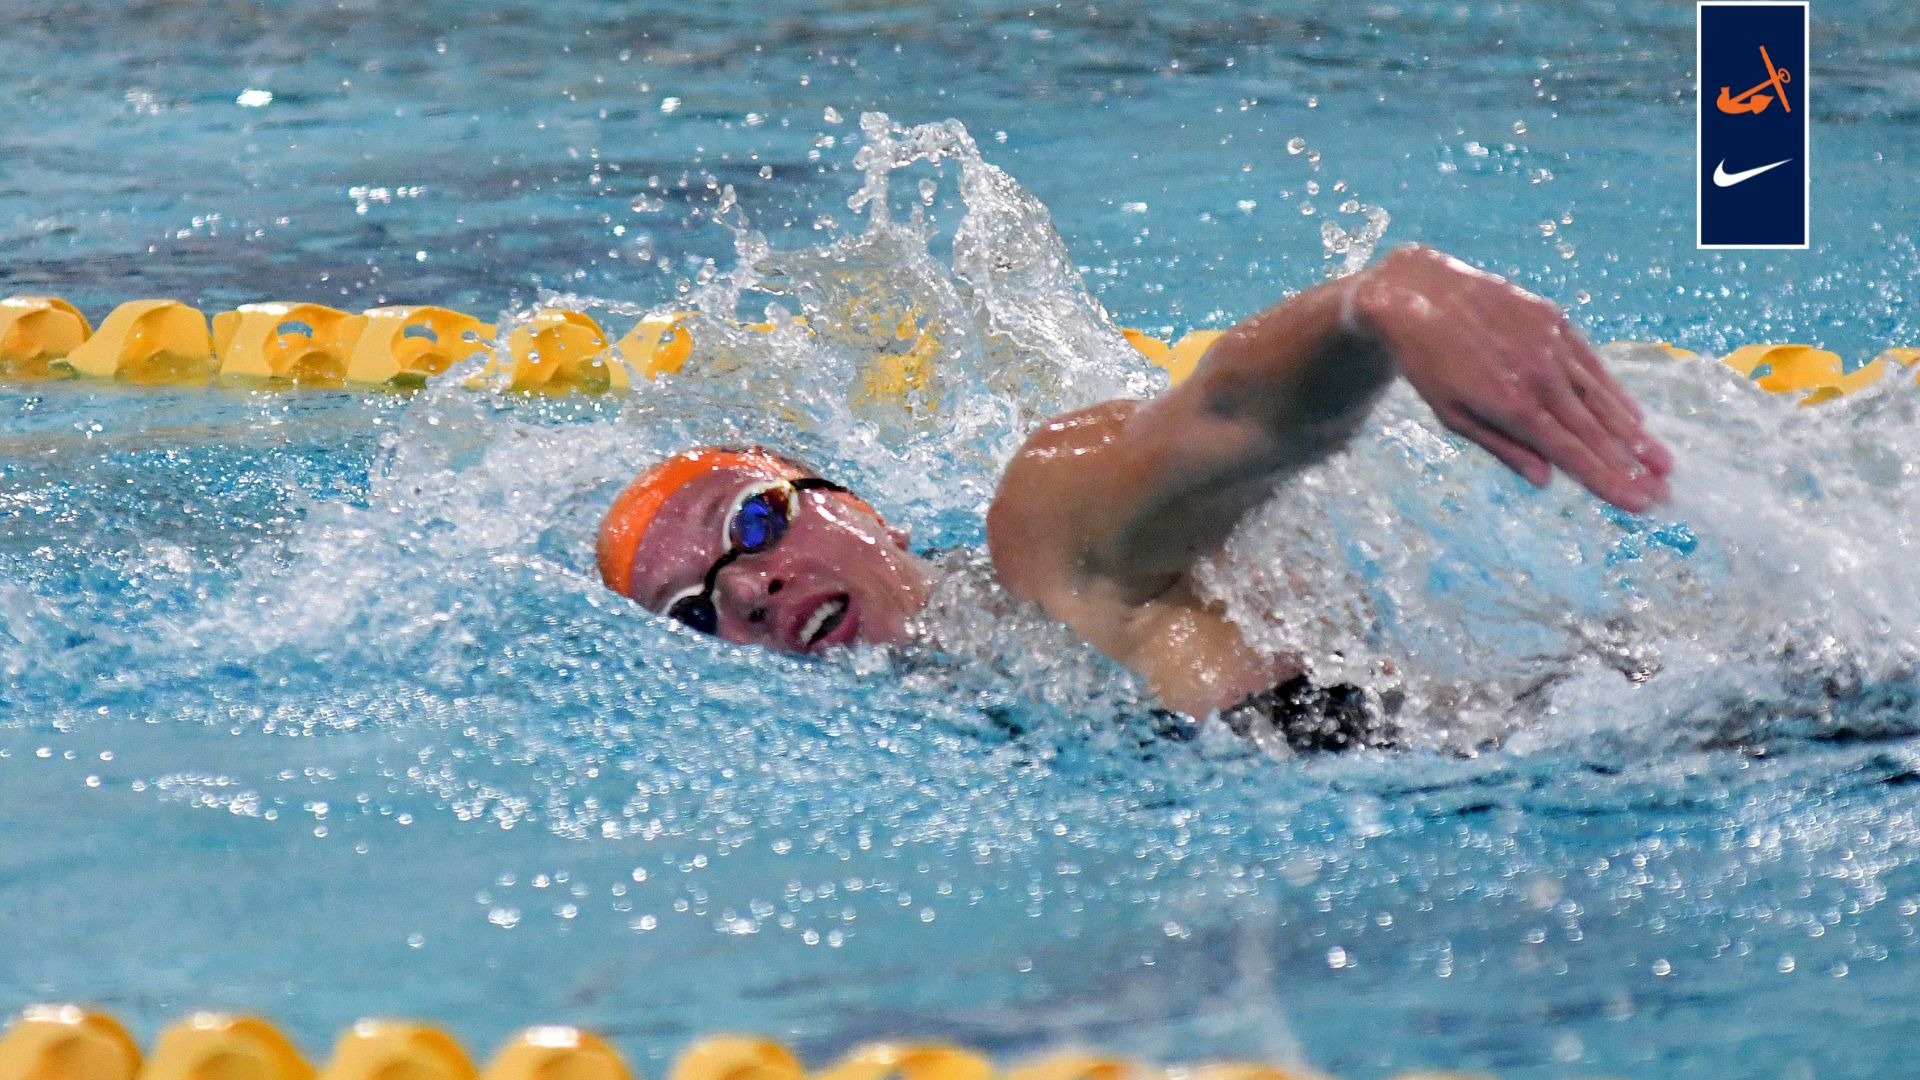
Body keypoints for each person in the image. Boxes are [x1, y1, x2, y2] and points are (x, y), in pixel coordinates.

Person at [595, 244, 1674, 748]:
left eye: (752, 522)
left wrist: (1375, 307)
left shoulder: (1039, 541)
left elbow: (1226, 421)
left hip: (1691, 737)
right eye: (696, 610)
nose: (746, 590)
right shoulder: (968, 697)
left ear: (863, 508)